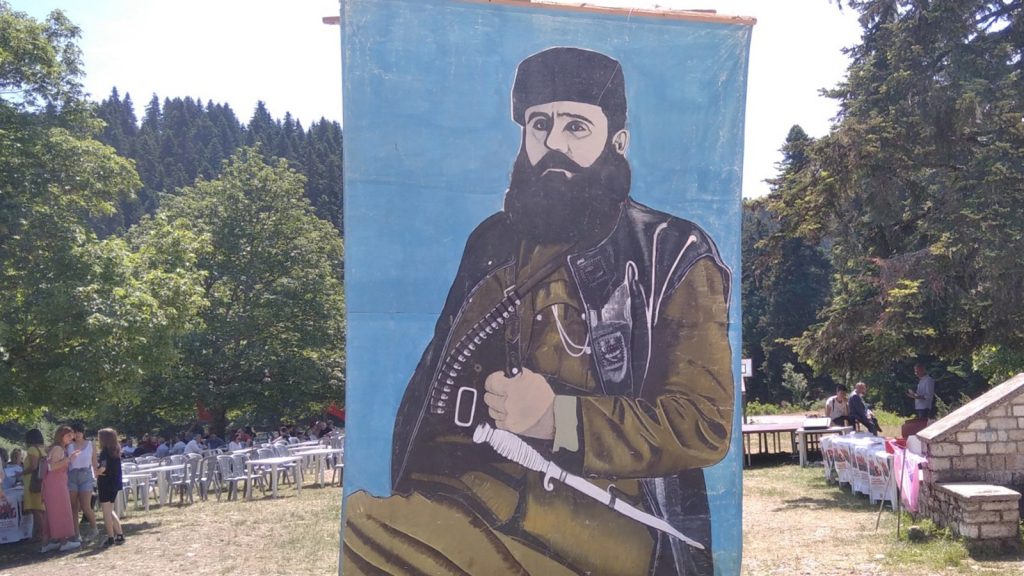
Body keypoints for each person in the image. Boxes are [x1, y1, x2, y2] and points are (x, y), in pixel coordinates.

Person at [344, 47, 733, 575]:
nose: (553, 144)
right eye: (540, 125)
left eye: (576, 127)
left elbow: (703, 424)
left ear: (617, 142)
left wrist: (559, 418)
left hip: (603, 511)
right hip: (472, 492)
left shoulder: (672, 252)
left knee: (366, 531)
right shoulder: (492, 243)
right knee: (366, 525)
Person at [43, 425, 81, 552]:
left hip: (54, 483)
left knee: (53, 512)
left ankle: (51, 542)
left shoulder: (57, 448)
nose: (71, 438)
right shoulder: (58, 449)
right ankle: (64, 542)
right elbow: (52, 467)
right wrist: (69, 459)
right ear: (61, 436)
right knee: (61, 510)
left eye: (72, 436)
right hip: (56, 484)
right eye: (68, 435)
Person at [67, 422, 99, 541]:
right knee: (74, 507)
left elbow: (94, 463)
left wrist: (97, 476)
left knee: (86, 506)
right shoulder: (69, 445)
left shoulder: (90, 444)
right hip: (72, 475)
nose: (77, 434)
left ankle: (94, 528)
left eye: (79, 432)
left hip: (86, 475)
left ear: (83, 432)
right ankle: (76, 534)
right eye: (74, 432)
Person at [96, 428, 125, 547]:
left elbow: (103, 468)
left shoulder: (104, 452)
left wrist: (95, 472)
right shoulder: (116, 451)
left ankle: (110, 537)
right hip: (115, 483)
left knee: (106, 513)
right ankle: (120, 534)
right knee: (110, 510)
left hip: (105, 483)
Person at [23, 429, 50, 552]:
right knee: (42, 510)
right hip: (42, 481)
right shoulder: (44, 449)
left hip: (32, 482)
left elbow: (33, 467)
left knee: (36, 510)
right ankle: (40, 534)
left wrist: (21, 472)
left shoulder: (32, 450)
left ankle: (43, 534)